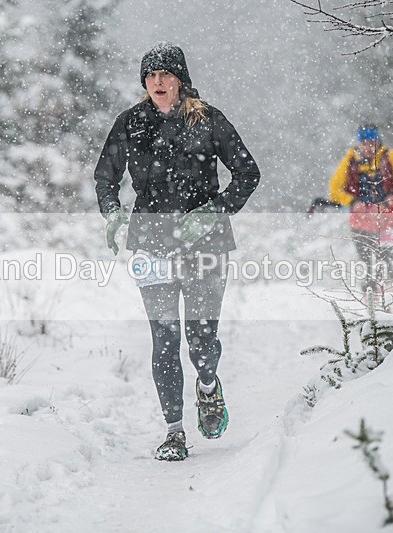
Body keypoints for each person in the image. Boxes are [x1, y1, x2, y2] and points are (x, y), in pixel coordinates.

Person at [94, 42, 260, 461]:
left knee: (201, 339)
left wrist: (214, 211)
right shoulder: (130, 123)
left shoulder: (208, 120)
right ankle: (174, 432)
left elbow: (248, 172)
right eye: (151, 75)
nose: (158, 81)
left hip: (205, 243)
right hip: (151, 241)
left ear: (180, 79)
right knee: (165, 339)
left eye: (165, 74)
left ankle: (208, 385)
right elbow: (105, 176)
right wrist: (111, 212)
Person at [328, 124, 393, 290]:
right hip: (361, 222)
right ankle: (370, 294)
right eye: (364, 143)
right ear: (360, 143)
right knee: (367, 263)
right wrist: (352, 201)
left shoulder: (390, 157)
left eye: (372, 143)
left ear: (377, 141)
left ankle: (388, 292)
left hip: (388, 220)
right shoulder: (350, 160)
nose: (368, 147)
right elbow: (334, 189)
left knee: (386, 261)